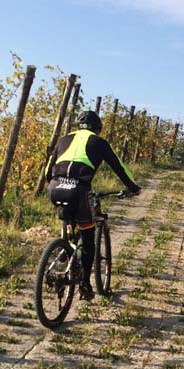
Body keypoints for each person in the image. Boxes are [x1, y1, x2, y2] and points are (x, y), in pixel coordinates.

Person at [46, 110, 141, 300]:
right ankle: (85, 284)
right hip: (79, 191)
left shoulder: (64, 139)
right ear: (98, 129)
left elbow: (48, 170)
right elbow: (119, 167)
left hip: (55, 188)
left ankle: (66, 247)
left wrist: (54, 182)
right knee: (89, 240)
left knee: (69, 215)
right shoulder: (99, 142)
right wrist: (133, 188)